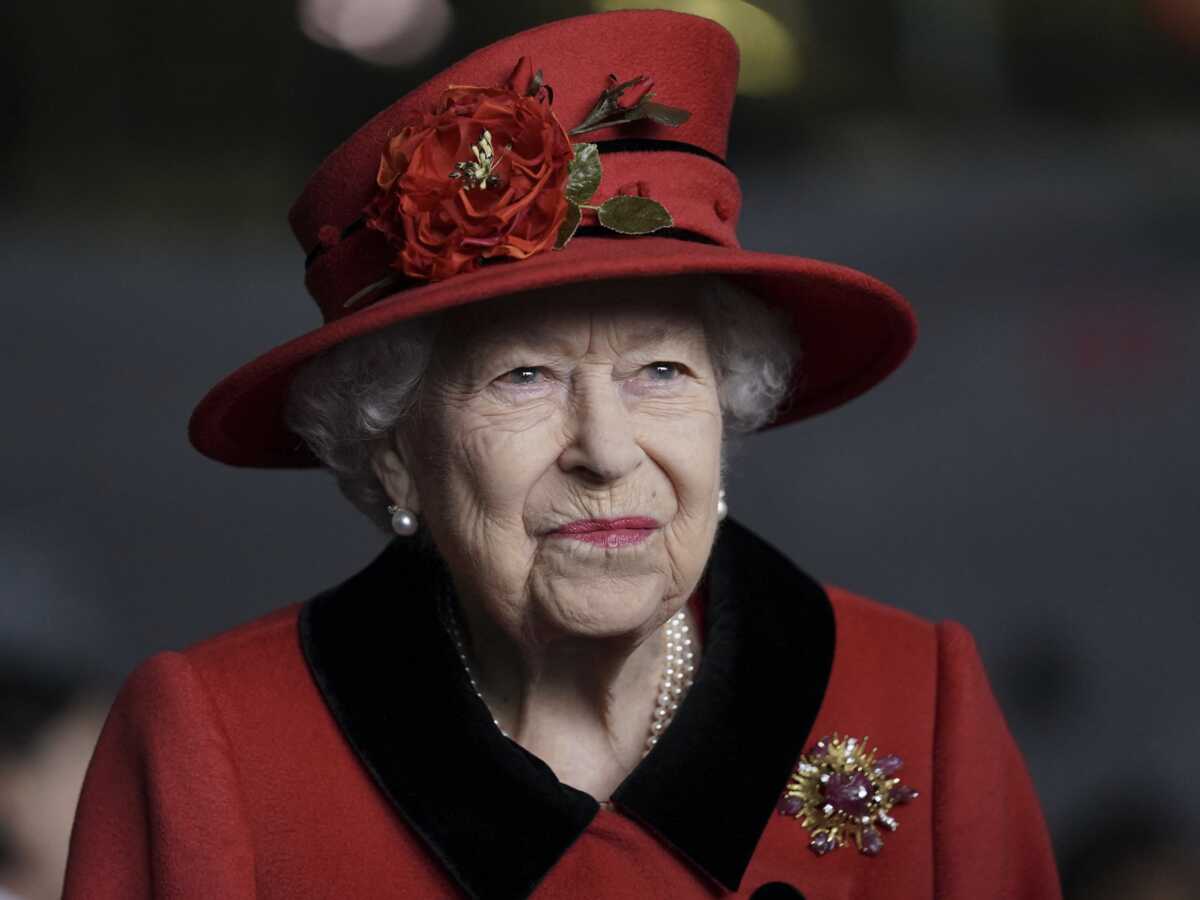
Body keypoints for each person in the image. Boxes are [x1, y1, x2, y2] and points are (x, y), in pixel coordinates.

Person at [63, 9, 1061, 899]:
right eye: (524, 378)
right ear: (396, 450)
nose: (606, 449)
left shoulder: (916, 698)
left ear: (729, 406)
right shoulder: (220, 748)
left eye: (662, 372)